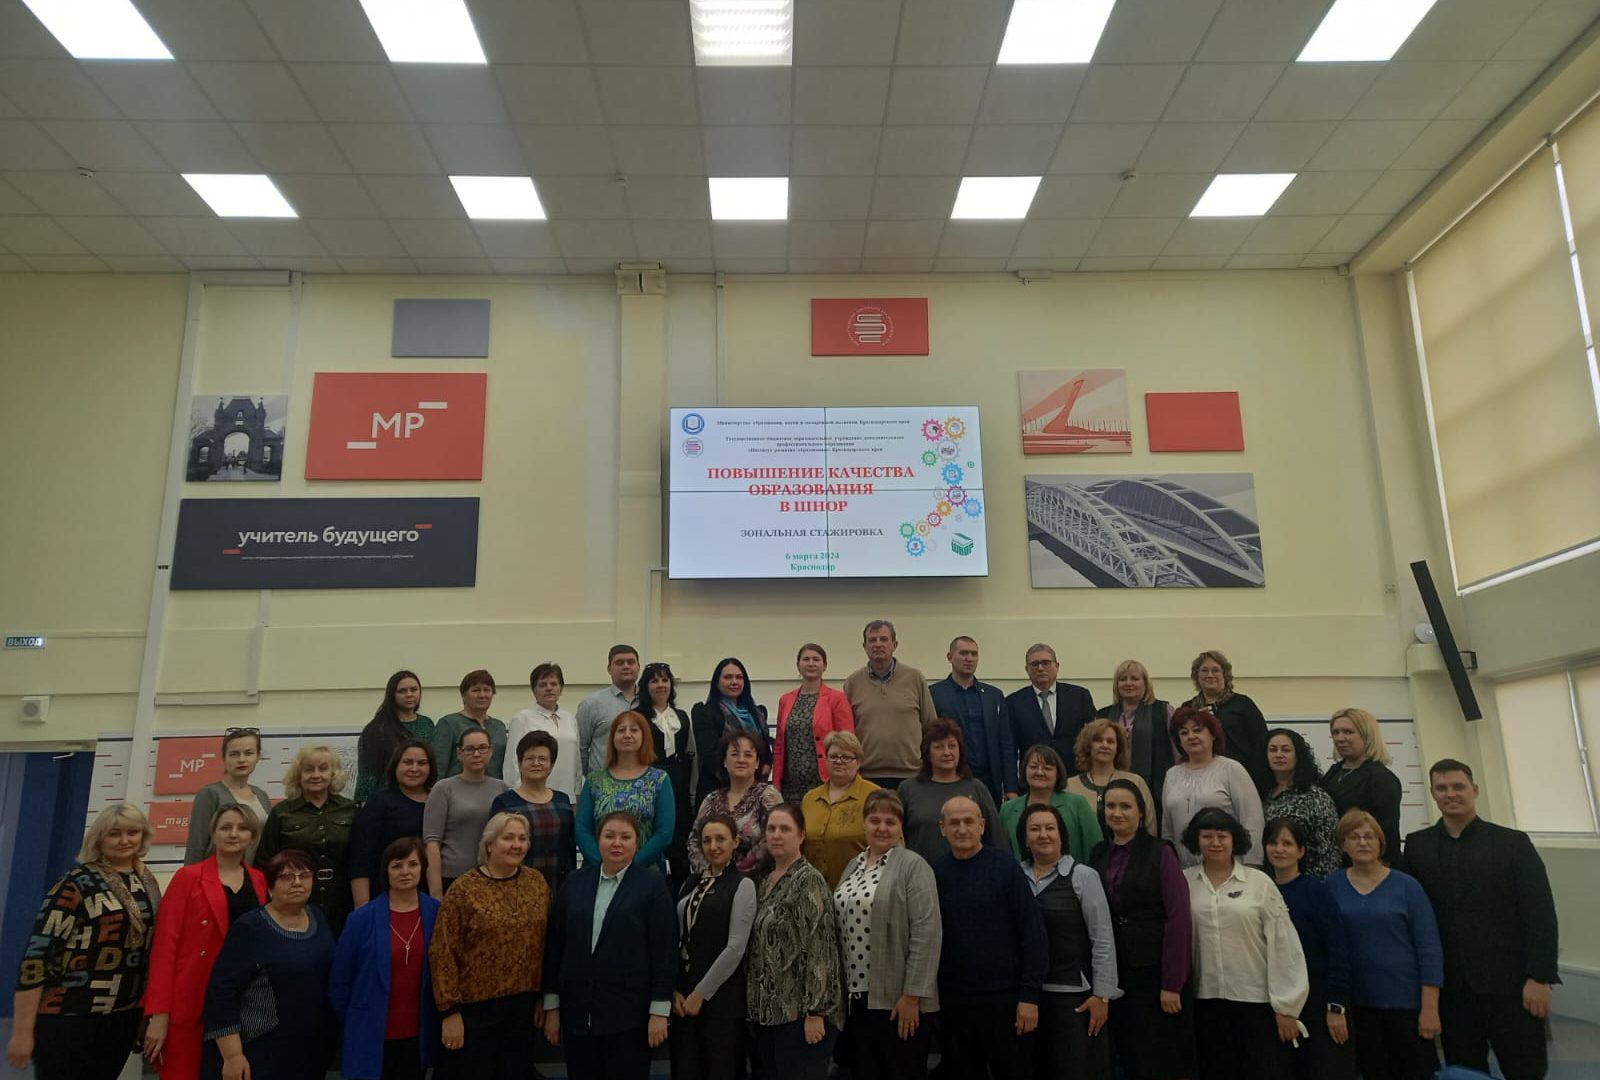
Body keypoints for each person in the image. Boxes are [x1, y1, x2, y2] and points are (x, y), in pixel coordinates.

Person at [1402, 759, 1560, 1080]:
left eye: (1458, 786)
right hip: (1453, 992)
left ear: (1474, 790)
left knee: (1526, 1070)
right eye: (1441, 788)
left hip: (1512, 988)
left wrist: (1541, 978)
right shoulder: (1417, 847)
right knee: (1465, 1073)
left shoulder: (1512, 844)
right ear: (1432, 794)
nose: (1450, 794)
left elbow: (1539, 913)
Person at [8, 804, 162, 1080]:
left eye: (132, 832)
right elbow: (36, 958)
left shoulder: (147, 882)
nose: (125, 840)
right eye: (114, 834)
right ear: (99, 839)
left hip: (121, 1016)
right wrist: (22, 1032)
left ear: (143, 837)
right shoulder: (76, 882)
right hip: (69, 1015)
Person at [543, 811, 677, 1080]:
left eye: (625, 837)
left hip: (629, 1018)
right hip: (577, 1015)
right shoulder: (574, 882)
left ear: (637, 844)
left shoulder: (652, 886)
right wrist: (551, 1006)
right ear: (598, 840)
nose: (617, 843)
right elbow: (555, 946)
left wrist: (660, 1011)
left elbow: (664, 950)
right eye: (609, 836)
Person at [1182, 807, 1309, 1080]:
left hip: (1255, 1002)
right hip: (1205, 1001)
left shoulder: (1259, 882)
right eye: (1207, 836)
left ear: (1234, 840)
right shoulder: (1184, 882)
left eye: (1222, 836)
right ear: (1196, 840)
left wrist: (1287, 1006)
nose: (1215, 843)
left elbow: (1284, 944)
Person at [144, 805, 266, 1080]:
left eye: (242, 828)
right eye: (225, 827)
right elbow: (165, 947)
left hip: (240, 998)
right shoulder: (188, 878)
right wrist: (159, 1013)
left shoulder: (259, 880)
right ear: (213, 833)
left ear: (252, 835)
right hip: (191, 996)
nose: (233, 834)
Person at [932, 794, 1048, 1080]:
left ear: (982, 825)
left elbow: (1032, 933)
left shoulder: (1006, 868)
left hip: (1007, 1002)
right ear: (942, 828)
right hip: (955, 1004)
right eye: (954, 823)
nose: (962, 829)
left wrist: (1029, 996)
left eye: (969, 821)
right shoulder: (935, 874)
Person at [429, 812, 551, 1078]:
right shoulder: (464, 889)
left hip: (522, 1008)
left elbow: (547, 944)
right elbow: (443, 952)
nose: (516, 845)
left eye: (522, 839)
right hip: (474, 1011)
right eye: (508, 838)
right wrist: (449, 1012)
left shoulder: (537, 884)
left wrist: (545, 997)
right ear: (489, 844)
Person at [1089, 779, 1194, 1080]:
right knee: (1129, 1055)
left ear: (1141, 812)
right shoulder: (1098, 854)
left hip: (1155, 973)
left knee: (1158, 1057)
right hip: (1117, 972)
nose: (1117, 813)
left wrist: (1172, 983)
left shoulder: (1161, 852)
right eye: (1110, 806)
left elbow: (1178, 917)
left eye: (1125, 806)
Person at [833, 790, 941, 1080]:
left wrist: (912, 997)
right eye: (875, 820)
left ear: (901, 827)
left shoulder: (913, 866)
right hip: (858, 999)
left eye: (890, 822)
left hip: (898, 1001)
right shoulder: (853, 865)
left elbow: (927, 933)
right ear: (864, 823)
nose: (882, 828)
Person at [1328, 809, 1443, 1080]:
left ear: (1380, 843)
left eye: (1369, 836)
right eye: (1354, 837)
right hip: (1360, 1006)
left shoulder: (1407, 887)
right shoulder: (1332, 886)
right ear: (1343, 845)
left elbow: (1429, 949)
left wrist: (1430, 1008)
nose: (1363, 842)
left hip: (1407, 1006)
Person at [203, 849, 337, 1080]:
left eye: (304, 875)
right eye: (286, 877)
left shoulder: (317, 916)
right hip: (262, 1049)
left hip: (312, 1046)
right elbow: (222, 993)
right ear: (270, 886)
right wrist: (232, 1056)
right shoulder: (250, 927)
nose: (297, 882)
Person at [1019, 803, 1121, 1080]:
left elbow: (1102, 939)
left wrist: (1102, 995)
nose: (1043, 834)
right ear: (1025, 838)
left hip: (1074, 997)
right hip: (1028, 996)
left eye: (1050, 828)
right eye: (1035, 829)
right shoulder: (1014, 876)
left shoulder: (1083, 876)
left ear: (1061, 835)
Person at [746, 803, 845, 1080]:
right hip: (769, 1013)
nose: (776, 835)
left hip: (801, 1015)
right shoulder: (765, 881)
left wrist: (816, 1012)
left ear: (801, 835)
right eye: (771, 829)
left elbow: (820, 949)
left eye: (785, 829)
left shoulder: (808, 880)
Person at [329, 837, 441, 1080]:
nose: (405, 871)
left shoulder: (437, 913)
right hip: (370, 1034)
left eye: (413, 864)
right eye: (396, 865)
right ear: (386, 872)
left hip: (418, 1035)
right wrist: (357, 1019)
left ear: (423, 868)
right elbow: (340, 982)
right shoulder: (361, 919)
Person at [1263, 817, 1355, 1080]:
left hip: (1319, 999)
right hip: (1279, 1002)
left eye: (1287, 843)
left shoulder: (1317, 891)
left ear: (1301, 851)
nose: (1279, 849)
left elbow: (1337, 948)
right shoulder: (1261, 892)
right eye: (1273, 843)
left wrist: (1336, 1007)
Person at [671, 815, 757, 1080]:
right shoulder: (690, 882)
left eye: (721, 839)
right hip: (684, 996)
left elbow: (735, 947)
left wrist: (702, 993)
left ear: (735, 842)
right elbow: (677, 937)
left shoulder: (743, 884)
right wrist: (675, 989)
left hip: (721, 999)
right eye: (707, 840)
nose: (713, 846)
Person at [256, 744, 358, 933]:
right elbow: (264, 863)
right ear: (298, 775)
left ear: (333, 774)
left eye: (323, 768)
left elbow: (360, 858)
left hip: (342, 901)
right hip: (294, 902)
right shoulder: (282, 813)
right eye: (309, 769)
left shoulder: (350, 810)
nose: (316, 775)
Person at [1162, 707, 1264, 868]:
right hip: (1184, 871)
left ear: (1213, 735)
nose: (1191, 736)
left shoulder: (1231, 769)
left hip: (1230, 868)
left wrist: (1251, 864)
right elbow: (1167, 829)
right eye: (1184, 733)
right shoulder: (1171, 775)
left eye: (1198, 730)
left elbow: (1252, 819)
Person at [577, 709, 677, 871]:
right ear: (613, 738)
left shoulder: (659, 779)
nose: (627, 735)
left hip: (644, 872)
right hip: (599, 871)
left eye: (634, 730)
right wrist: (604, 865)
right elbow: (582, 830)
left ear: (644, 737)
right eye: (621, 730)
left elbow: (664, 833)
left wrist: (631, 868)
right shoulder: (594, 780)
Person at [842, 620, 937, 788]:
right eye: (872, 640)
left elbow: (931, 726)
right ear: (864, 646)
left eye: (884, 639)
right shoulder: (852, 683)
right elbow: (846, 733)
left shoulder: (915, 678)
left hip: (911, 775)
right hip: (865, 776)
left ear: (895, 644)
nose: (878, 644)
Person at [898, 718, 1005, 862]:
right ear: (927, 753)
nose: (947, 752)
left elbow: (997, 840)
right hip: (919, 872)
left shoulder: (977, 788)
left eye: (952, 746)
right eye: (938, 747)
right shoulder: (908, 789)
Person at [929, 635, 1016, 805]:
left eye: (974, 654)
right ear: (950, 657)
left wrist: (1010, 787)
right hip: (951, 778)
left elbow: (1005, 743)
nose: (969, 659)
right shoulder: (934, 694)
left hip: (989, 780)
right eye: (963, 653)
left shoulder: (993, 696)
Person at [424, 726, 509, 896]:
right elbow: (432, 843)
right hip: (453, 877)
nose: (476, 754)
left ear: (491, 751)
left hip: (492, 876)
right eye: (470, 749)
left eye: (482, 748)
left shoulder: (501, 788)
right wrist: (436, 893)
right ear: (459, 753)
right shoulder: (444, 788)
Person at [351, 739, 436, 907]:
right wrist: (362, 908)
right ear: (395, 765)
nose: (414, 769)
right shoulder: (379, 802)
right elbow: (360, 857)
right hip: (387, 894)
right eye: (407, 762)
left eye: (422, 763)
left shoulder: (439, 799)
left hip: (430, 894)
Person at [687, 728, 783, 874]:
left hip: (756, 878)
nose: (741, 760)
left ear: (757, 762)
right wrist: (710, 872)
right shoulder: (711, 799)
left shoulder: (768, 795)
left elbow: (773, 839)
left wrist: (735, 874)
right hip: (713, 878)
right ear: (725, 761)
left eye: (748, 755)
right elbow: (694, 841)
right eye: (734, 754)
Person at [490, 730, 576, 891]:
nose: (536, 763)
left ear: (551, 765)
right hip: (518, 887)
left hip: (560, 884)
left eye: (542, 759)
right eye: (530, 758)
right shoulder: (505, 802)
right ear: (519, 763)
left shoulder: (562, 800)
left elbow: (569, 848)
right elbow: (495, 850)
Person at [637, 661, 694, 889]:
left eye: (664, 680)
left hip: (678, 783)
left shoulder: (681, 716)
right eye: (654, 681)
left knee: (679, 843)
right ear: (645, 686)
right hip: (648, 781)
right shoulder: (637, 716)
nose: (660, 685)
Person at [774, 643, 856, 803]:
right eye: (806, 659)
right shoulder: (785, 700)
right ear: (798, 665)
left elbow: (848, 743)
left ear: (824, 666)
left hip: (825, 781)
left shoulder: (837, 699)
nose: (811, 663)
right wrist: (776, 781)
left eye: (816, 659)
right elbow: (779, 745)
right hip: (790, 785)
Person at [998, 743, 1107, 863]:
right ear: (1024, 770)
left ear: (1058, 773)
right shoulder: (1007, 809)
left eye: (1047, 768)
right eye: (1033, 767)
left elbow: (1096, 848)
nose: (1039, 772)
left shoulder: (1077, 804)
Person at [1094, 659, 1176, 818]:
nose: (1128, 683)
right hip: (1111, 787)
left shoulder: (1163, 711)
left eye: (1135, 678)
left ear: (1145, 683)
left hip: (1156, 787)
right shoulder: (1103, 715)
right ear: (1116, 685)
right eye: (1123, 679)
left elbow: (1177, 752)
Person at [1321, 707, 1403, 865]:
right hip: (1336, 863)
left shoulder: (1381, 778)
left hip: (1369, 865)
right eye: (1335, 732)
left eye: (1348, 732)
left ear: (1367, 735)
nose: (1340, 738)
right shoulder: (1333, 773)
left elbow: (1387, 834)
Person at [800, 730, 881, 888]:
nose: (839, 761)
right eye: (833, 756)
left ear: (858, 762)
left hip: (860, 889)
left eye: (846, 757)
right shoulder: (810, 799)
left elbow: (892, 847)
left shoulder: (874, 796)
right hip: (814, 891)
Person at [1182, 650, 1271, 792]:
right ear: (1196, 676)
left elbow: (1261, 742)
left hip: (1241, 778)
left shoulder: (1243, 704)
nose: (1210, 675)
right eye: (1204, 670)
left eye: (1215, 670)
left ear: (1225, 674)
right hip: (1201, 780)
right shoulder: (1188, 708)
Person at [184, 727, 273, 865]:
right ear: (224, 758)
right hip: (218, 874)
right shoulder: (210, 794)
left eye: (248, 753)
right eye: (234, 754)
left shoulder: (262, 795)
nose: (241, 759)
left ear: (258, 756)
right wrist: (191, 877)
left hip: (255, 875)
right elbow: (196, 846)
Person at [691, 656, 772, 805]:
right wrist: (739, 777)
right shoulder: (705, 712)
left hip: (754, 789)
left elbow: (766, 751)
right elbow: (710, 755)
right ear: (717, 682)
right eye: (728, 677)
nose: (734, 682)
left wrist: (764, 767)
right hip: (718, 789)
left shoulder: (758, 713)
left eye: (739, 677)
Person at [1262, 728, 1341, 878]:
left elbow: (1329, 851)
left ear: (1298, 755)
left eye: (1286, 750)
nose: (1278, 754)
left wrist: (1316, 886)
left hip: (1308, 882)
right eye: (1273, 750)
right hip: (1269, 881)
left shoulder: (1316, 797)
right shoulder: (1263, 794)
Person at [1005, 642, 1096, 769]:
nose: (1040, 668)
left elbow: (1094, 736)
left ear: (1057, 666)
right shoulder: (1013, 703)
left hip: (1074, 773)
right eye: (1034, 664)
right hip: (1035, 775)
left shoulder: (1079, 696)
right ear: (1027, 669)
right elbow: (1009, 748)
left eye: (1046, 662)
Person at [1065, 718, 1158, 840]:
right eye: (1098, 740)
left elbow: (1150, 827)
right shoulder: (1070, 786)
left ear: (1118, 748)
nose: (1104, 745)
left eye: (1110, 741)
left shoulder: (1136, 782)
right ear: (1088, 746)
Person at [502, 661, 581, 800]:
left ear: (561, 689)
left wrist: (577, 792)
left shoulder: (569, 718)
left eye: (554, 684)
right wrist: (517, 795)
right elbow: (512, 763)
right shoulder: (523, 718)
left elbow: (577, 761)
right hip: (533, 796)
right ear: (534, 691)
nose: (549, 688)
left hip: (568, 796)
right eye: (543, 685)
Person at [356, 670, 435, 804]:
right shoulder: (376, 729)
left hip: (421, 798)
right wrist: (362, 803)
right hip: (387, 799)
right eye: (402, 691)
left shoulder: (427, 724)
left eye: (413, 689)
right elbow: (367, 773)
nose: (409, 694)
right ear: (392, 695)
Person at [576, 644, 642, 774]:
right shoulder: (591, 704)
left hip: (642, 782)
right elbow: (580, 748)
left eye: (631, 662)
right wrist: (593, 776)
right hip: (602, 780)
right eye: (619, 663)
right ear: (609, 668)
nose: (626, 666)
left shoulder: (649, 701)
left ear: (638, 667)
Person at [432, 669, 507, 780]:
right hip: (457, 788)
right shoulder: (449, 723)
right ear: (463, 695)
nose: (482, 695)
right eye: (476, 690)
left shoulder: (499, 726)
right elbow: (438, 766)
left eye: (487, 690)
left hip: (494, 788)